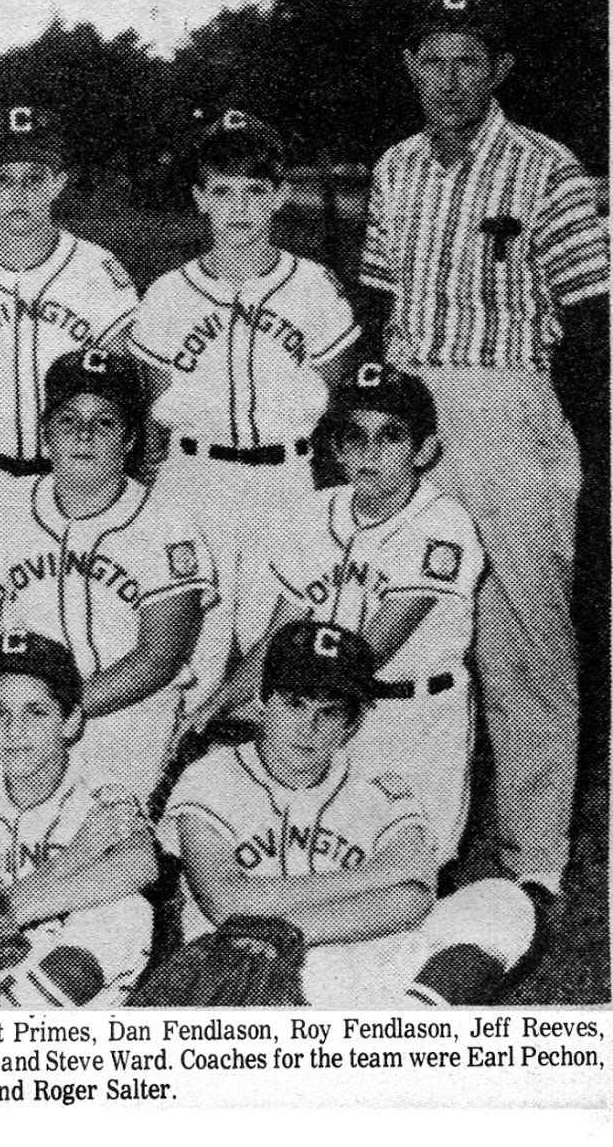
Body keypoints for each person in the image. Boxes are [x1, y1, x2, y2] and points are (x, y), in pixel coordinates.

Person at [357, 0, 609, 901]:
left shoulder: (548, 168)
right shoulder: (394, 167)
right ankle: (405, 840)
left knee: (521, 636)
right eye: (435, 58)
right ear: (412, 68)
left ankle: (534, 858)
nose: (452, 77)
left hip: (506, 407)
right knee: (407, 628)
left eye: (471, 59)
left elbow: (591, 321)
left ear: (500, 69)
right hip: (408, 410)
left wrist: (582, 445)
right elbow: (378, 302)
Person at [176, 358, 483, 864]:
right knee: (324, 861)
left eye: (391, 437)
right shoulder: (313, 513)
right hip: (329, 713)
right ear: (337, 450)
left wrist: (266, 713)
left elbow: (366, 653)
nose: (371, 453)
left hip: (413, 719)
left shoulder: (443, 523)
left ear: (424, 450)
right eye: (355, 438)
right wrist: (213, 705)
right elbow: (283, 639)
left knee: (412, 871)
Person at [161, 619, 538, 1007]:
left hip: (354, 958)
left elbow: (415, 898)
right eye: (295, 704)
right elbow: (227, 904)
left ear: (353, 724)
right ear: (262, 704)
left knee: (502, 900)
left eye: (330, 712)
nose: (308, 727)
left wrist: (273, 917)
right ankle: (399, 1029)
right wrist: (377, 875)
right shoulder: (210, 777)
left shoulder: (378, 782)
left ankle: (408, 1021)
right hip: (247, 969)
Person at [128, 110, 359, 680]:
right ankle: (175, 762)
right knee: (188, 651)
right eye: (222, 192)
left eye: (255, 192)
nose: (239, 209)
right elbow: (157, 402)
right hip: (192, 477)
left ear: (280, 195)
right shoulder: (169, 294)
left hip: (285, 481)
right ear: (200, 198)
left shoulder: (311, 287)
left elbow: (336, 399)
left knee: (276, 649)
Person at [0, 347, 213, 805]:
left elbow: (158, 659)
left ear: (129, 438)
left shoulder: (167, 522)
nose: (84, 435)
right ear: (46, 432)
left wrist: (57, 714)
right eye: (69, 420)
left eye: (104, 422)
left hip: (127, 719)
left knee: (103, 852)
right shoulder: (7, 507)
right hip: (21, 717)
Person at [0, 630, 157, 1008]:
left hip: (67, 977)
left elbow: (141, 865)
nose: (15, 730)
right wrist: (82, 851)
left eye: (36, 712)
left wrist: (6, 908)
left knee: (125, 914)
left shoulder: (101, 791)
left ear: (70, 723)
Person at [0, 101, 139, 493]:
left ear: (58, 182)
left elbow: (123, 389)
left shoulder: (96, 270)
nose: (18, 195)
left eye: (34, 179)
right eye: (3, 179)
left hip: (71, 479)